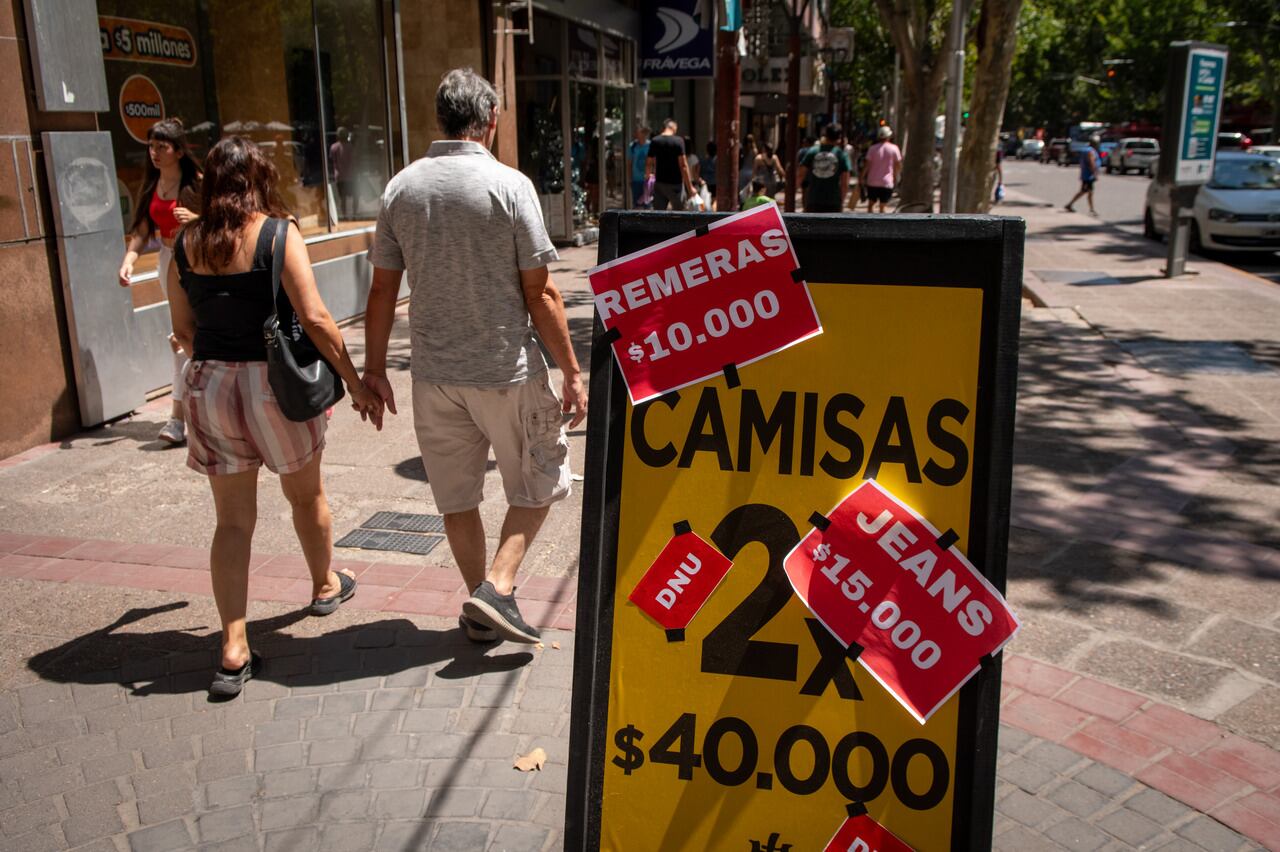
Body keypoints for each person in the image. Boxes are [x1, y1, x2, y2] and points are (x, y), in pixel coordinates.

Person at [363, 68, 587, 645]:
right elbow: (540, 291)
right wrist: (571, 371)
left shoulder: (401, 189)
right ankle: (498, 588)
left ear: (440, 120)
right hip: (503, 369)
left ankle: (481, 611)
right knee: (543, 478)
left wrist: (372, 369)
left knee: (457, 500)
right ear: (490, 120)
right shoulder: (510, 186)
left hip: (433, 375)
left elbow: (383, 291)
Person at [165, 137, 382, 696]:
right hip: (273, 388)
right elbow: (314, 318)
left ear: (209, 184)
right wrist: (355, 382)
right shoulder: (278, 233)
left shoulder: (184, 242)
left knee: (232, 522)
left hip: (210, 384)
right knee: (305, 495)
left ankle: (233, 647)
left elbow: (184, 331)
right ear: (258, 178)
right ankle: (324, 584)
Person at [118, 118, 202, 445]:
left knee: (184, 340)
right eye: (151, 146)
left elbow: (226, 219)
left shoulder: (196, 183)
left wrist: (197, 219)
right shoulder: (153, 186)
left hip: (196, 263)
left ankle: (182, 417)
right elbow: (141, 230)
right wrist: (129, 259)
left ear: (178, 151)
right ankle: (182, 418)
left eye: (161, 146)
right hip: (168, 263)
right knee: (181, 340)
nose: (154, 152)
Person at [798, 123, 853, 213]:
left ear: (825, 135)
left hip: (813, 198)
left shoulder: (812, 151)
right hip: (833, 200)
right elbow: (845, 183)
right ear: (839, 137)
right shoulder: (842, 155)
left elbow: (800, 175)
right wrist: (841, 200)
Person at [646, 119, 696, 211]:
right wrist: (690, 187)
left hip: (660, 184)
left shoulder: (655, 141)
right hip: (676, 185)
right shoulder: (678, 141)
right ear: (673, 128)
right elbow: (683, 166)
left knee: (659, 215)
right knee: (680, 215)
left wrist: (648, 177)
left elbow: (649, 162)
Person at [860, 125, 902, 213]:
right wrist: (896, 176)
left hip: (872, 181)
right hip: (886, 182)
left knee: (870, 205)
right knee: (883, 207)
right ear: (889, 136)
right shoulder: (894, 149)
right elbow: (897, 165)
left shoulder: (872, 149)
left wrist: (861, 177)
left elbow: (867, 165)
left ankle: (869, 223)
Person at [1065, 135, 1101, 215]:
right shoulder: (1090, 151)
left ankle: (1091, 209)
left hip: (1086, 174)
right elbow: (1092, 162)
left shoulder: (1086, 150)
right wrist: (1094, 173)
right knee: (1085, 191)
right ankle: (1071, 204)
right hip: (1088, 175)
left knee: (1088, 192)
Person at [628, 127, 650, 208]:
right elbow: (629, 163)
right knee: (636, 204)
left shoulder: (650, 146)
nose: (637, 135)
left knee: (647, 204)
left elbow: (654, 162)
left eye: (639, 133)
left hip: (647, 181)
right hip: (636, 180)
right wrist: (630, 178)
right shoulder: (633, 146)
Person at [700, 141, 718, 209]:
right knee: (714, 201)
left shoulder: (703, 160)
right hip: (715, 183)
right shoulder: (718, 160)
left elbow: (701, 172)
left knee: (706, 200)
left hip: (706, 183)